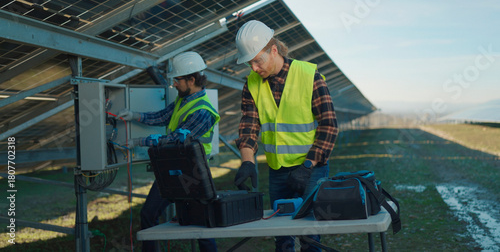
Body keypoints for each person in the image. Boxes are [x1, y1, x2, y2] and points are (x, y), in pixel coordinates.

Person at [233, 20, 338, 252]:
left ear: (273, 50)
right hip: (278, 171)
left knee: (310, 236)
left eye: (257, 61)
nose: (254, 68)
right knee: (281, 236)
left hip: (311, 169)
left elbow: (329, 126)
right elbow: (249, 126)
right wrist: (247, 162)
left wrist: (308, 165)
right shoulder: (251, 84)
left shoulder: (309, 76)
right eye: (249, 63)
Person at [118, 51, 220, 252]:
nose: (174, 84)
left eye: (177, 80)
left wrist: (138, 141)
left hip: (193, 174)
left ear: (191, 79)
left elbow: (175, 140)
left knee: (202, 223)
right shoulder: (184, 100)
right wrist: (134, 115)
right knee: (148, 213)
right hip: (174, 169)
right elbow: (163, 116)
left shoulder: (202, 111)